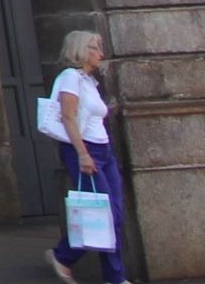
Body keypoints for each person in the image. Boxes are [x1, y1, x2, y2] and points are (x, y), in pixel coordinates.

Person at [48, 29, 125, 283]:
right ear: (82, 50)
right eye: (96, 48)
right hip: (84, 149)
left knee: (115, 214)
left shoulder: (89, 81)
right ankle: (66, 256)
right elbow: (68, 117)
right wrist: (82, 154)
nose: (101, 54)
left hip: (103, 149)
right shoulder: (70, 77)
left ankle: (110, 274)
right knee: (105, 214)